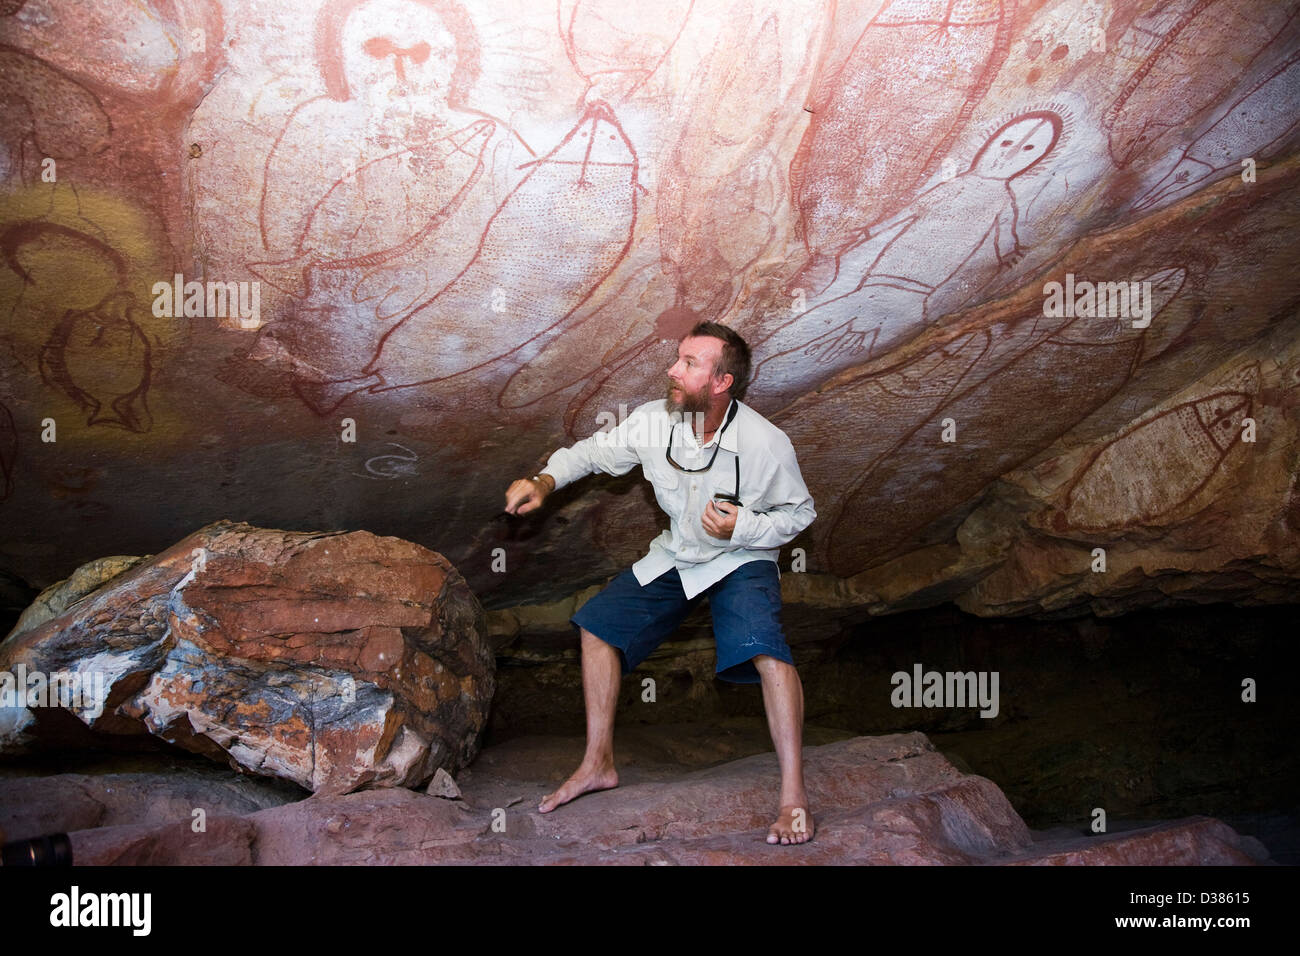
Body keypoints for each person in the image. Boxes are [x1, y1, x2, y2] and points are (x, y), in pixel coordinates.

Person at [503, 321, 818, 844]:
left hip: (741, 557)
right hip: (679, 553)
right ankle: (598, 763)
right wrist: (542, 480)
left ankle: (794, 799)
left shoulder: (765, 442)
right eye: (678, 358)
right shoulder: (654, 421)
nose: (672, 369)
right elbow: (590, 453)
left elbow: (799, 512)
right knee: (597, 626)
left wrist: (746, 526)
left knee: (766, 649)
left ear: (722, 382)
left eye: (690, 363)